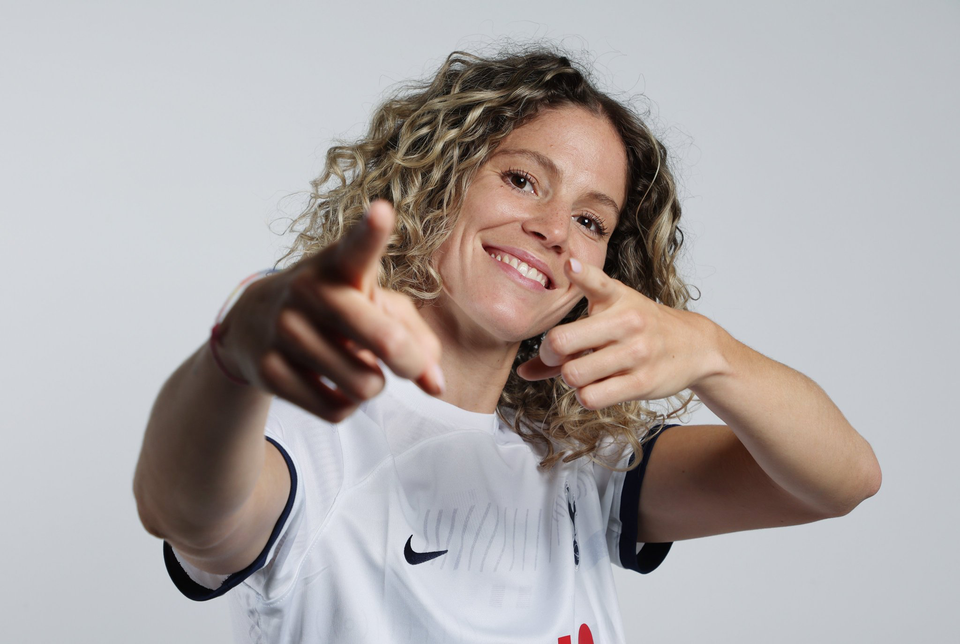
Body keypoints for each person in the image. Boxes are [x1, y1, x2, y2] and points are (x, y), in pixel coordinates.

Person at [133, 47, 881, 643]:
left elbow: (843, 478)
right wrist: (234, 355)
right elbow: (184, 513)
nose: (555, 229)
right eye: (523, 180)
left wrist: (713, 352)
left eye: (592, 221)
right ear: (435, 183)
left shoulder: (579, 467)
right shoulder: (311, 443)